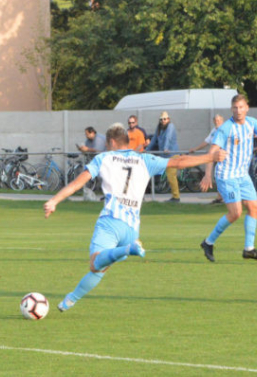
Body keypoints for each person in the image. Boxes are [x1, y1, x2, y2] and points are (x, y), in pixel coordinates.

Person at [44, 124, 227, 312]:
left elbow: (76, 184)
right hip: (132, 228)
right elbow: (179, 161)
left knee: (95, 262)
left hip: (111, 221)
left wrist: (54, 201)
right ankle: (70, 300)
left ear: (112, 142)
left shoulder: (103, 158)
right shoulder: (144, 159)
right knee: (102, 267)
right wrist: (210, 157)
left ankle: (128, 249)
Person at [199, 94, 257, 262]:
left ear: (246, 108)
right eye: (235, 108)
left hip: (242, 175)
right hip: (227, 175)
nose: (238, 111)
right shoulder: (226, 128)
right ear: (231, 109)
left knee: (254, 208)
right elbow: (212, 152)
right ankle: (208, 242)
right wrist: (207, 174)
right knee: (235, 213)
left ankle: (249, 249)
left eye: (241, 107)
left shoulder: (252, 123)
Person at [189, 114, 225, 204]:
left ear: (222, 121)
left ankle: (229, 197)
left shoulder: (225, 130)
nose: (217, 122)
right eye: (215, 120)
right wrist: (195, 149)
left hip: (224, 157)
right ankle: (220, 197)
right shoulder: (214, 131)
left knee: (224, 177)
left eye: (219, 120)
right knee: (218, 177)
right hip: (215, 157)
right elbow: (206, 142)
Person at [147, 111, 181, 202]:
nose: (163, 121)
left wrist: (166, 148)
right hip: (164, 156)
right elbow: (154, 140)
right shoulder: (159, 128)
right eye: (161, 119)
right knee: (154, 171)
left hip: (172, 155)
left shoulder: (171, 126)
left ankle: (176, 197)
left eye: (165, 119)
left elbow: (168, 137)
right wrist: (146, 151)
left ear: (168, 119)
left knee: (171, 175)